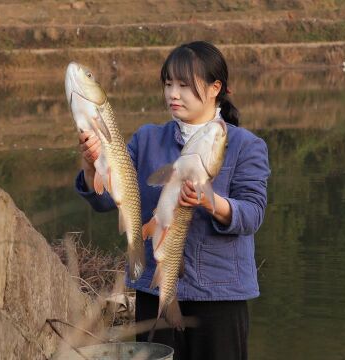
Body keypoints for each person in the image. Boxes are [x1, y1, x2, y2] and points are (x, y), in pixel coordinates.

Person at [74, 41, 270, 360]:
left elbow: (252, 214)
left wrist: (210, 202)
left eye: (183, 85)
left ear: (214, 88)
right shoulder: (147, 139)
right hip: (156, 291)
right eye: (168, 84)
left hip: (220, 298)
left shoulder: (245, 146)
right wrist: (89, 164)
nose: (173, 94)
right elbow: (106, 200)